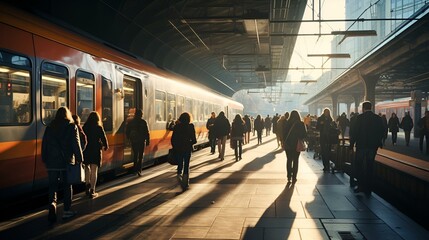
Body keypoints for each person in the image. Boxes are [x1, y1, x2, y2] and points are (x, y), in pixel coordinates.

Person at [41, 107, 83, 222]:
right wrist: (80, 159)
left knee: (52, 186)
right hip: (66, 162)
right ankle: (67, 211)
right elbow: (76, 144)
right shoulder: (72, 127)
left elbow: (44, 144)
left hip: (52, 162)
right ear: (67, 115)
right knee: (67, 186)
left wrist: (45, 158)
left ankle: (52, 205)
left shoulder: (50, 128)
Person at [349, 101, 384, 195]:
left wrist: (351, 145)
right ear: (371, 108)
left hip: (361, 146)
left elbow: (355, 132)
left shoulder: (359, 118)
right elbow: (382, 131)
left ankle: (361, 186)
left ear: (363, 108)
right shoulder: (377, 118)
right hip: (372, 147)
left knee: (359, 165)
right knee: (370, 166)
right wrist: (379, 142)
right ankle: (369, 188)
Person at [83, 111, 109, 198]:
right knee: (94, 170)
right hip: (95, 150)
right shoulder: (98, 127)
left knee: (87, 168)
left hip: (86, 150)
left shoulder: (85, 127)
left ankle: (87, 185)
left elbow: (82, 138)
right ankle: (92, 190)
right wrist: (105, 145)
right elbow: (103, 137)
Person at [171, 112, 197, 190]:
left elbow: (173, 139)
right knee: (186, 165)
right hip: (187, 148)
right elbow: (194, 140)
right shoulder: (191, 126)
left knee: (180, 164)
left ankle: (179, 176)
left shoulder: (176, 127)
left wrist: (175, 146)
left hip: (178, 148)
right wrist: (189, 143)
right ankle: (185, 182)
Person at [282, 110, 307, 183]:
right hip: (297, 144)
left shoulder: (287, 123)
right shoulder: (301, 123)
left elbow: (284, 134)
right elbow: (304, 134)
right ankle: (294, 177)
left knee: (289, 160)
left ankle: (289, 176)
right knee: (296, 160)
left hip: (288, 144)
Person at [125, 108, 150, 176]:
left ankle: (134, 170)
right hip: (141, 141)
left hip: (134, 141)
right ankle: (139, 170)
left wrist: (128, 138)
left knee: (135, 155)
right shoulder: (143, 122)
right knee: (140, 156)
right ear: (141, 114)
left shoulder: (131, 122)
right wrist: (148, 141)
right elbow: (147, 132)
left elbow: (127, 131)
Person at [316, 108, 335, 172]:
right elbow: (317, 127)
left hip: (329, 138)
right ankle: (325, 165)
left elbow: (333, 128)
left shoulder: (331, 119)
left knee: (328, 152)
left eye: (328, 112)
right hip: (323, 138)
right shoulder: (320, 119)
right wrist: (320, 124)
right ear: (323, 112)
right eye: (326, 112)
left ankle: (327, 164)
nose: (327, 113)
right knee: (324, 152)